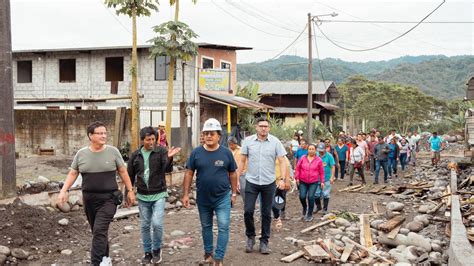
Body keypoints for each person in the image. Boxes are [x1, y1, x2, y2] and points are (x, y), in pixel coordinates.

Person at [57, 121, 136, 266]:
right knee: (98, 232)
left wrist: (130, 190)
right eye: (100, 133)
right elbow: (73, 173)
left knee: (99, 230)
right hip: (89, 200)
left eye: (105, 133)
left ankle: (96, 263)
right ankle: (105, 260)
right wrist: (64, 190)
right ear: (90, 136)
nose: (104, 136)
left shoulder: (113, 152)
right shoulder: (81, 154)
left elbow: (123, 171)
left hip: (109, 199)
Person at [182, 118, 238, 266]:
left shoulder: (226, 153)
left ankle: (218, 258)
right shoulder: (196, 153)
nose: (208, 136)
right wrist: (186, 194)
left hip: (222, 197)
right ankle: (208, 253)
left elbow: (233, 173)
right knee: (206, 227)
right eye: (206, 133)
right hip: (203, 198)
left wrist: (233, 193)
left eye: (211, 133)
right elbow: (188, 173)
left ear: (218, 135)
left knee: (224, 226)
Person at [127, 127, 180, 264]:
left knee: (156, 223)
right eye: (148, 139)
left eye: (153, 139)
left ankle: (157, 250)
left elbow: (167, 169)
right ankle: (147, 252)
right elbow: (130, 175)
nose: (151, 142)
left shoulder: (161, 151)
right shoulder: (135, 155)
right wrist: (129, 192)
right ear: (142, 140)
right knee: (145, 225)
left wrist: (169, 157)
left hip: (159, 194)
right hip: (142, 196)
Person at [237, 117, 288, 255]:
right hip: (251, 182)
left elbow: (282, 161)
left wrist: (283, 179)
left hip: (269, 183)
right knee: (248, 211)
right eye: (261, 126)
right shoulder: (248, 141)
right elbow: (242, 161)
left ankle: (264, 241)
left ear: (269, 128)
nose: (264, 128)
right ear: (256, 127)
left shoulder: (275, 142)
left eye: (266, 126)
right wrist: (236, 178)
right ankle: (250, 237)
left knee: (266, 213)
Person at [295, 143, 324, 221]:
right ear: (307, 150)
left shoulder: (318, 160)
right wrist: (297, 178)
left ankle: (310, 214)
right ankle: (304, 207)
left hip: (313, 181)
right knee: (302, 196)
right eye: (309, 149)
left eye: (312, 149)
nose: (311, 151)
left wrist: (322, 181)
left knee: (311, 197)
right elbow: (298, 168)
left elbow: (321, 172)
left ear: (315, 150)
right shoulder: (303, 158)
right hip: (303, 181)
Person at [314, 143, 335, 215]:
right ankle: (318, 206)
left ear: (325, 149)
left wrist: (332, 177)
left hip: (326, 178)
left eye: (322, 150)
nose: (320, 152)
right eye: (319, 150)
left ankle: (325, 209)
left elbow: (332, 166)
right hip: (316, 178)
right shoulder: (315, 155)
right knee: (316, 194)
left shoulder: (329, 156)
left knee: (326, 194)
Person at [272, 156, 292, 227]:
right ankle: (276, 215)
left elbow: (287, 168)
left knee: (280, 197)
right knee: (272, 200)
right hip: (270, 181)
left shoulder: (283, 158)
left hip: (280, 181)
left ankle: (281, 212)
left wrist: (287, 181)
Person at [229, 136, 247, 203]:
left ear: (235, 143)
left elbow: (245, 161)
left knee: (243, 188)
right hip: (231, 173)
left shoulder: (242, 150)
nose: (231, 146)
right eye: (229, 144)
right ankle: (230, 202)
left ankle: (246, 202)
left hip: (242, 173)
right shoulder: (228, 151)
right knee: (230, 188)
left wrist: (244, 170)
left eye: (232, 144)